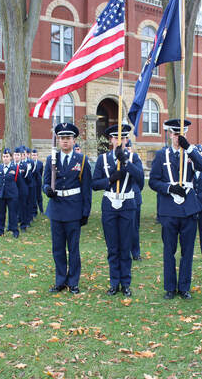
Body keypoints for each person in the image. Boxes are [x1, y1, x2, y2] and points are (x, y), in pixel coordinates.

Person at [149, 118, 202, 300]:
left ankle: (184, 287)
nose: (177, 137)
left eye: (180, 134)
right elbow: (153, 181)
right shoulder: (161, 155)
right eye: (175, 134)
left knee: (187, 251)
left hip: (189, 208)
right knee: (169, 250)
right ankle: (170, 287)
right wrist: (168, 188)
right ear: (169, 134)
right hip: (168, 208)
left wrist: (188, 147)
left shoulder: (191, 153)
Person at [92, 124, 144, 296]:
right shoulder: (103, 159)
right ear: (110, 140)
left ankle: (126, 283)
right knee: (113, 247)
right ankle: (114, 282)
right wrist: (110, 179)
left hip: (127, 205)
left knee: (125, 246)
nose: (119, 141)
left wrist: (126, 162)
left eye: (122, 138)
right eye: (115, 138)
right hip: (109, 205)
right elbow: (94, 184)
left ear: (126, 139)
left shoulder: (134, 158)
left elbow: (141, 180)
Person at [43, 122, 92, 294]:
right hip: (56, 209)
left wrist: (86, 212)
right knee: (57, 248)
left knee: (73, 248)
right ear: (57, 140)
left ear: (74, 140)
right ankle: (60, 281)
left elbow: (86, 188)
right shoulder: (51, 159)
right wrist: (47, 190)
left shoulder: (82, 160)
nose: (65, 141)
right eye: (62, 138)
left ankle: (73, 282)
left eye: (68, 138)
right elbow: (45, 182)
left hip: (73, 209)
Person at [0, 148, 19, 238]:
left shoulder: (15, 168)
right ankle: (1, 230)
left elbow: (17, 181)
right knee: (0, 213)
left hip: (12, 194)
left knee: (13, 213)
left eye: (7, 156)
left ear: (11, 158)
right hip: (0, 194)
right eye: (4, 156)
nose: (5, 158)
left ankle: (14, 230)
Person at [126, 139, 144, 261]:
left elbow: (140, 177)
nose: (127, 150)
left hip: (134, 196)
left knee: (134, 227)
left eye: (128, 148)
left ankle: (135, 252)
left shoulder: (135, 158)